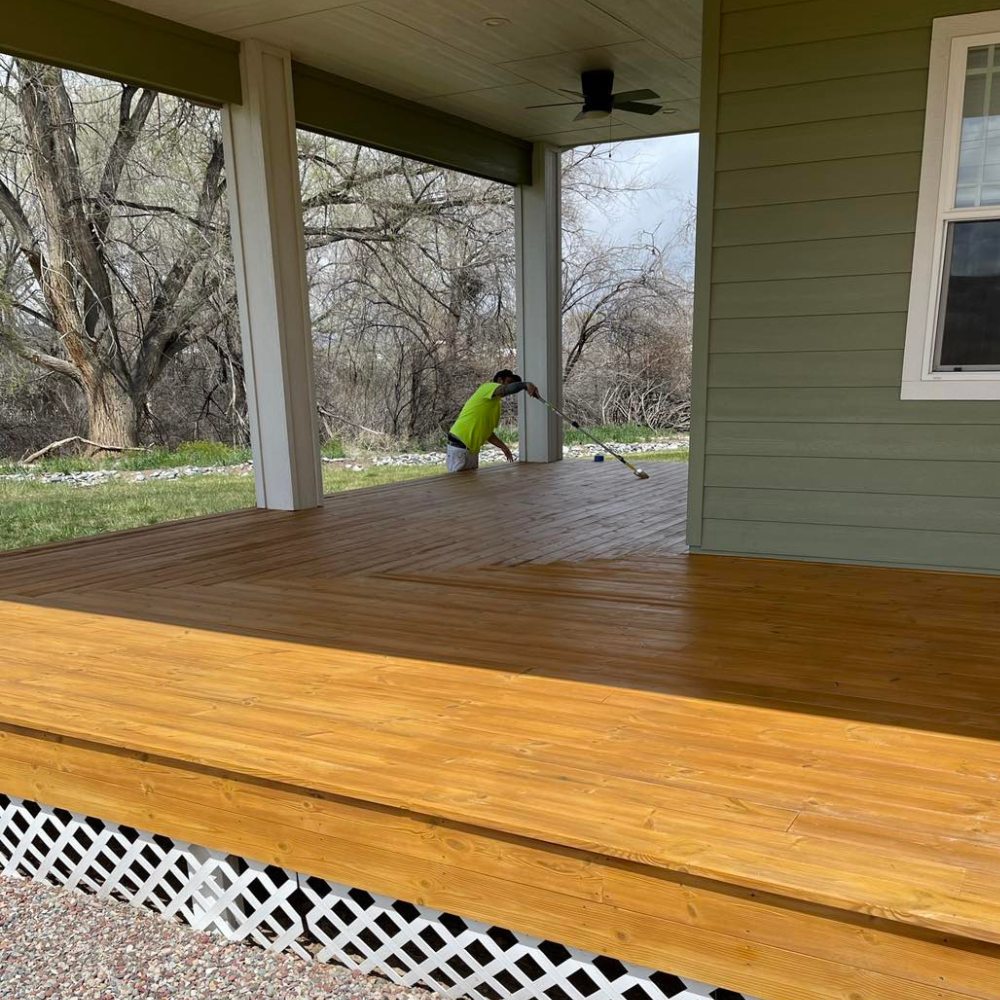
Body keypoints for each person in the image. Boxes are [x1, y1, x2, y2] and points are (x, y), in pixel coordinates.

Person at [447, 370, 539, 473]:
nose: (511, 387)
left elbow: (488, 433)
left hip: (471, 450)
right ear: (500, 380)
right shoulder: (488, 387)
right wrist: (526, 384)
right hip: (459, 446)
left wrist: (503, 447)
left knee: (471, 487)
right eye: (509, 382)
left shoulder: (495, 405)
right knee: (458, 486)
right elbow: (505, 390)